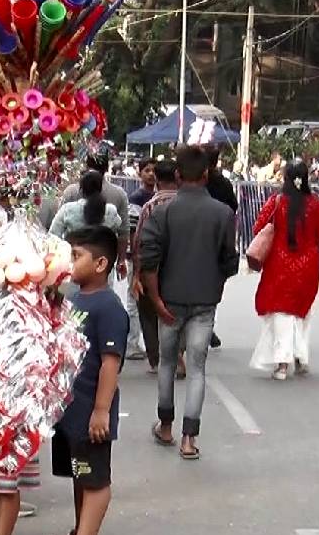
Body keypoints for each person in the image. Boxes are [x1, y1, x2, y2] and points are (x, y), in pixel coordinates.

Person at [139, 146, 239, 460]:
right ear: (206, 174)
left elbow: (149, 261)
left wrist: (156, 300)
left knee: (168, 362)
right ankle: (189, 439)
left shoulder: (161, 212)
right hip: (204, 301)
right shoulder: (223, 214)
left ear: (178, 175)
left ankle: (165, 426)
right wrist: (216, 289)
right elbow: (229, 262)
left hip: (169, 300)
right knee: (197, 368)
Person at [38, 225, 127, 535]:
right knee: (81, 473)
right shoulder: (73, 298)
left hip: (91, 412)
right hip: (71, 412)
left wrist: (101, 410)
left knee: (95, 477)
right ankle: (80, 534)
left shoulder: (109, 307)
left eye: (76, 256)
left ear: (101, 263)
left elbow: (110, 363)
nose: (69, 262)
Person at [250, 162, 319, 380]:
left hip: (279, 264)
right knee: (302, 311)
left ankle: (282, 364)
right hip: (308, 266)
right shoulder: (317, 206)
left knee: (282, 312)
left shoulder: (276, 202)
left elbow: (258, 228)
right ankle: (301, 357)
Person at [130, 160, 179, 375]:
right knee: (175, 309)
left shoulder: (149, 206)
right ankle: (176, 352)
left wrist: (136, 273)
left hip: (153, 266)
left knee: (149, 310)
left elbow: (139, 240)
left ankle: (156, 358)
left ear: (157, 179)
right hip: (179, 265)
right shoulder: (185, 203)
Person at [50, 171, 123, 240]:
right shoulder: (111, 211)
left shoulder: (67, 210)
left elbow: (53, 235)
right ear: (100, 189)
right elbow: (120, 232)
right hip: (103, 252)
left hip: (74, 252)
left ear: (81, 190)